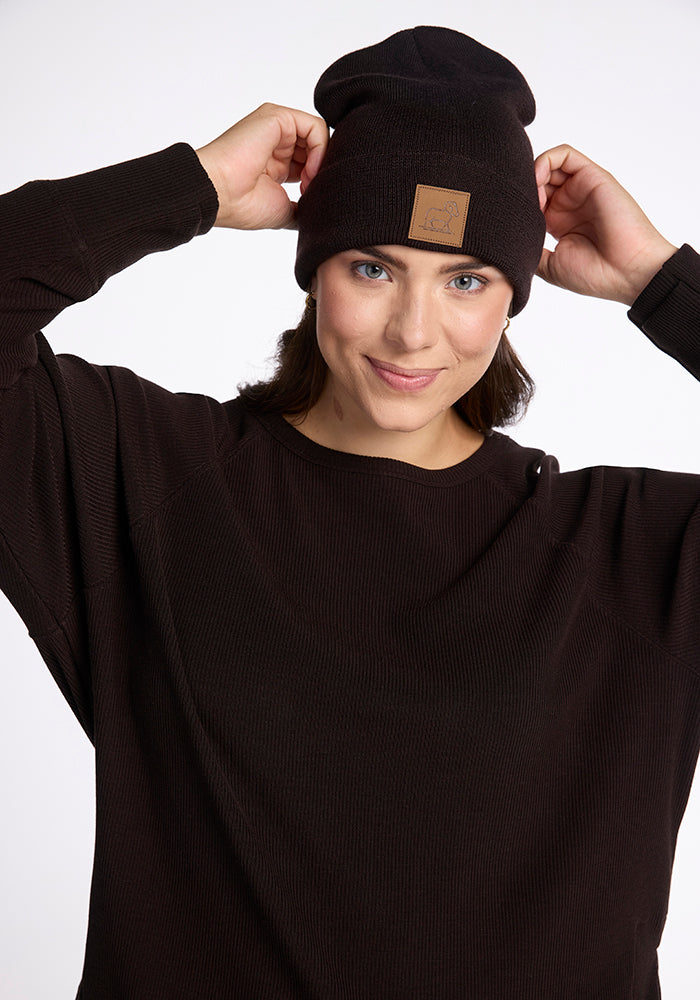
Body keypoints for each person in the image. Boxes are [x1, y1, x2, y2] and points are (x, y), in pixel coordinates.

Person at [0, 24, 697, 999]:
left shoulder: (634, 553)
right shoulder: (142, 479)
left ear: (513, 294)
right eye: (372, 266)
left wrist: (663, 280)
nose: (413, 329)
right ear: (313, 266)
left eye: (466, 278)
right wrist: (189, 187)